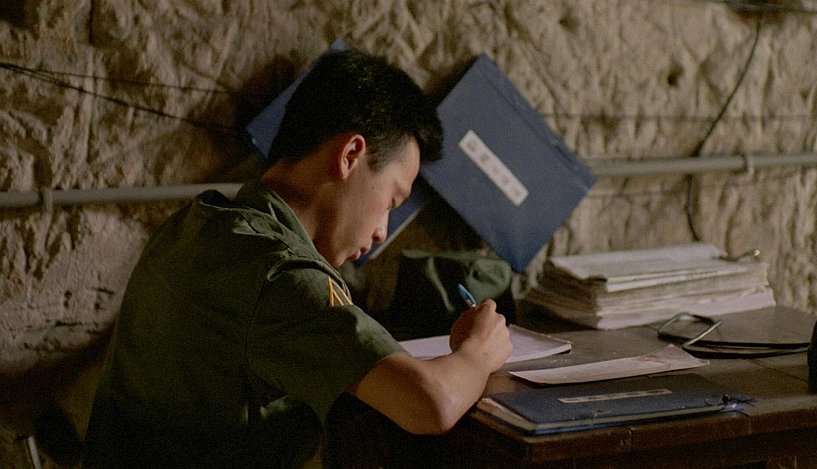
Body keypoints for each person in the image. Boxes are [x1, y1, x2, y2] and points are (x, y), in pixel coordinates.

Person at [82, 49, 512, 468]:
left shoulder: (199, 223)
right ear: (350, 155)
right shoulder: (279, 272)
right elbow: (431, 404)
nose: (382, 230)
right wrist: (478, 351)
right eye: (391, 200)